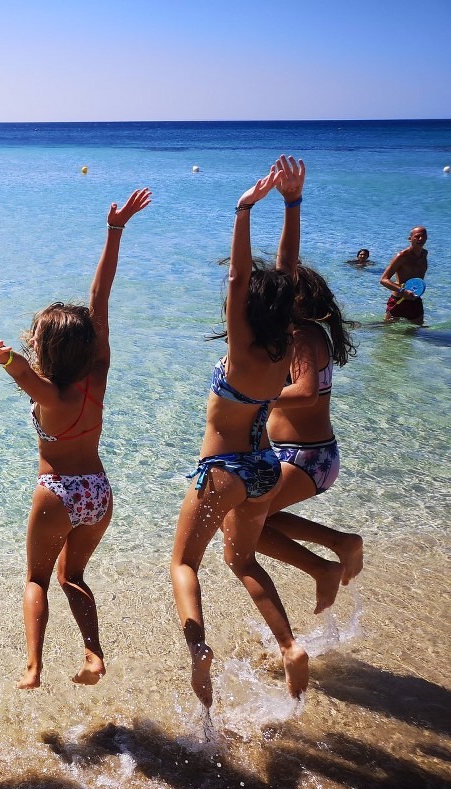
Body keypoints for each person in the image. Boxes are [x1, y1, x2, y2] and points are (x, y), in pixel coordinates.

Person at [0, 188, 152, 690]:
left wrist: (1, 354)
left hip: (58, 493)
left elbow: (22, 374)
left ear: (45, 349)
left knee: (37, 579)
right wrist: (115, 230)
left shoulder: (49, 395)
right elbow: (100, 299)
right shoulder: (98, 376)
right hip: (98, 492)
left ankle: (33, 666)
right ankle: (93, 656)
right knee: (74, 576)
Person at [170, 157, 309, 709]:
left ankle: (199, 647)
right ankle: (290, 645)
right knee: (243, 561)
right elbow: (286, 274)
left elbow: (238, 276)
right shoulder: (283, 344)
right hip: (266, 469)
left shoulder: (241, 348)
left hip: (223, 471)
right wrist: (292, 204)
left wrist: (244, 209)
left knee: (184, 564)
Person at [253, 159, 362, 614]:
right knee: (254, 522)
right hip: (298, 454)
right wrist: (290, 204)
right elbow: (285, 268)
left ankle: (324, 565)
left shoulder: (302, 336)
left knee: (246, 526)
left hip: (308, 456)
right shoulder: (296, 334)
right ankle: (340, 544)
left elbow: (305, 393)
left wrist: (255, 398)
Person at [381, 226, 428, 324]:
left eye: (423, 236)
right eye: (417, 236)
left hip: (415, 299)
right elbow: (384, 279)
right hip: (399, 300)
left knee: (417, 330)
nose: (421, 239)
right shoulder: (402, 256)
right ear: (410, 239)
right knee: (388, 330)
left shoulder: (424, 254)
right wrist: (402, 291)